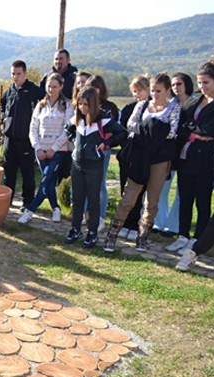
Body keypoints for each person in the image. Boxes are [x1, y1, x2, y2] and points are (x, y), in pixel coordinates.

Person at [104, 72, 181, 252]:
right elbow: (131, 126)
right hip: (140, 157)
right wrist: (155, 130)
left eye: (159, 91)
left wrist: (146, 130)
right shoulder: (142, 105)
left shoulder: (173, 108)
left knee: (152, 200)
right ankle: (112, 235)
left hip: (160, 159)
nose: (155, 95)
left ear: (168, 90)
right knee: (129, 197)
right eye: (153, 91)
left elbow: (172, 132)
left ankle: (142, 237)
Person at [65, 86, 126, 248]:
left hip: (94, 166)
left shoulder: (104, 119)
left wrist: (105, 144)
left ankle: (92, 232)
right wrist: (76, 144)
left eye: (86, 104)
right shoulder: (77, 118)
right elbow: (67, 129)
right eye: (80, 104)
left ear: (93, 104)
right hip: (77, 164)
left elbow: (122, 133)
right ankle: (75, 229)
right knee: (77, 200)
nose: (83, 108)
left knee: (93, 200)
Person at [167, 66, 214, 256]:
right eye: (200, 82)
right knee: (184, 199)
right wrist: (195, 133)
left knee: (202, 202)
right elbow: (182, 126)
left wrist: (194, 130)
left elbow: (210, 129)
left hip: (206, 160)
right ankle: (183, 236)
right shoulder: (194, 100)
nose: (202, 86)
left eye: (206, 82)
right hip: (186, 157)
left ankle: (197, 239)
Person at [18, 73, 73, 224]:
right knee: (47, 181)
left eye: (55, 86)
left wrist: (54, 148)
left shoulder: (67, 106)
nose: (51, 89)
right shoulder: (40, 105)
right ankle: (55, 208)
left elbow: (67, 130)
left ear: (61, 87)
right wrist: (37, 147)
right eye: (49, 86)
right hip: (41, 150)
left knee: (46, 179)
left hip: (58, 151)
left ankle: (30, 210)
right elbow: (33, 128)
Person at [0, 60, 44, 208]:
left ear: (25, 73)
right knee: (9, 173)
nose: (15, 77)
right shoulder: (9, 91)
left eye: (19, 74)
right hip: (9, 139)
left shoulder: (33, 90)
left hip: (26, 140)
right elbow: (2, 106)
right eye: (13, 73)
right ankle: (7, 201)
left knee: (27, 173)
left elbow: (47, 102)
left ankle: (27, 203)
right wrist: (3, 118)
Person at [157, 73, 194, 241]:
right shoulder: (170, 105)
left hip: (189, 151)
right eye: (173, 84)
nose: (176, 87)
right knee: (163, 188)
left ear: (187, 84)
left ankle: (173, 225)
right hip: (170, 151)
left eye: (179, 83)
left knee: (182, 191)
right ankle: (160, 221)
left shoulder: (196, 104)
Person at [117, 75, 151, 242]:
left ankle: (133, 224)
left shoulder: (153, 109)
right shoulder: (128, 108)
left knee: (139, 192)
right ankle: (123, 223)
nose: (137, 94)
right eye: (135, 91)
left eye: (140, 91)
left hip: (143, 157)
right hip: (128, 155)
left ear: (148, 90)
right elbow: (121, 131)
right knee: (125, 190)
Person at [86, 75, 120, 232]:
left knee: (100, 185)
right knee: (84, 183)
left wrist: (105, 143)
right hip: (86, 150)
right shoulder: (85, 105)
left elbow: (116, 132)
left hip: (102, 152)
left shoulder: (110, 107)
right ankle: (84, 215)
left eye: (96, 88)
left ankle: (100, 218)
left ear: (101, 89)